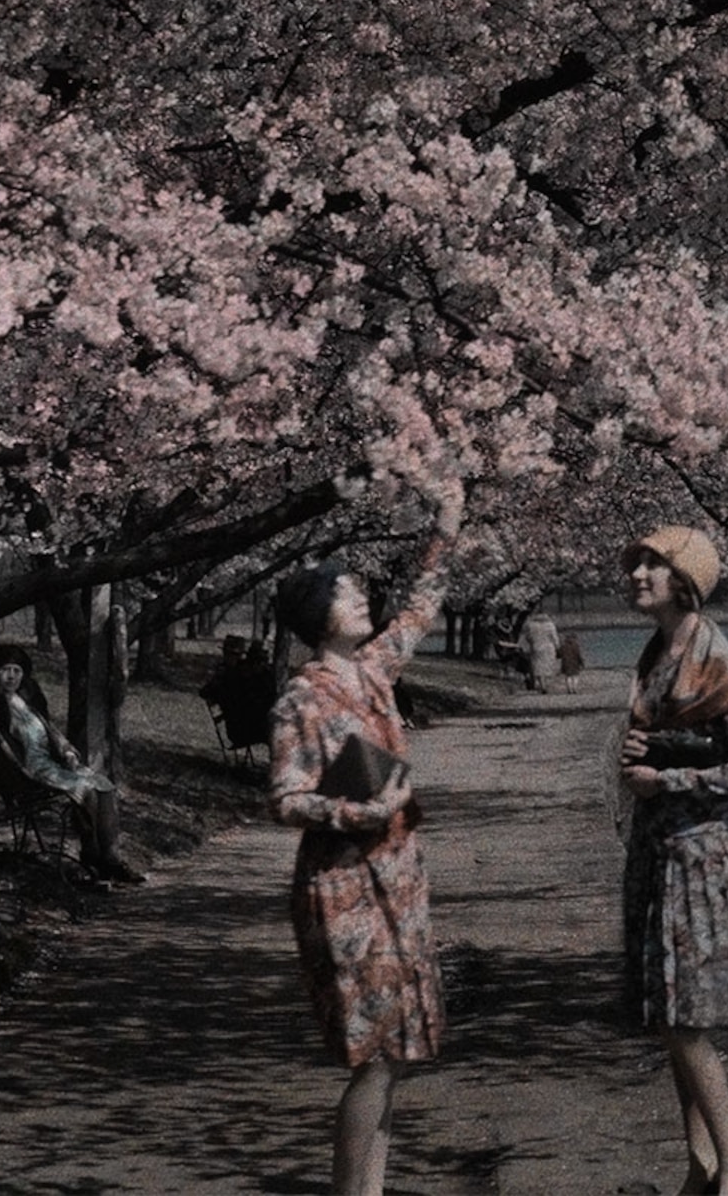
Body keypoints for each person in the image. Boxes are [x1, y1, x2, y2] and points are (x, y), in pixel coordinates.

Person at [270, 479, 463, 1196]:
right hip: (345, 888)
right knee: (374, 1055)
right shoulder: (303, 696)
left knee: (400, 1050)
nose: (361, 600)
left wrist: (446, 528)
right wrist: (362, 812)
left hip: (400, 881)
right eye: (347, 594)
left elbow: (420, 607)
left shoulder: (373, 673)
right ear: (318, 615)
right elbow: (285, 798)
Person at [618, 526, 728, 1196]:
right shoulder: (656, 652)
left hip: (700, 856)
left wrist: (666, 780)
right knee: (665, 1013)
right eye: (638, 562)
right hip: (657, 851)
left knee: (686, 1019)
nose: (638, 574)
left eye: (653, 564)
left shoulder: (715, 654)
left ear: (685, 578)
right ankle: (699, 1163)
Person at [0, 642, 142, 882]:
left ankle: (111, 859)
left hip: (50, 765)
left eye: (17, 671)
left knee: (104, 785)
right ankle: (93, 856)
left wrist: (67, 752)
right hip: (28, 772)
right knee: (86, 790)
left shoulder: (26, 701)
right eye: (6, 669)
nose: (11, 676)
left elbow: (50, 732)